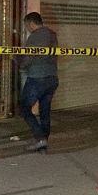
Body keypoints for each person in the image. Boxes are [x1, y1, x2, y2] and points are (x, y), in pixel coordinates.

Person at [17, 12, 59, 152]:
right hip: (52, 78)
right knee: (45, 111)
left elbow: (28, 59)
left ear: (30, 23)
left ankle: (40, 139)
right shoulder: (52, 34)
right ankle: (43, 144)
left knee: (24, 108)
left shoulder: (34, 37)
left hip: (37, 78)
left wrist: (17, 60)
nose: (27, 28)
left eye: (26, 25)